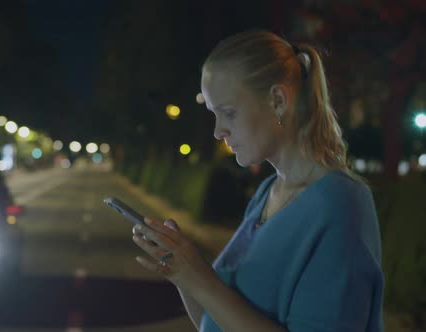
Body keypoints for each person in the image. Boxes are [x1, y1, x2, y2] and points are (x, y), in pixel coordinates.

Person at [131, 30, 384, 331]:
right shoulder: (268, 193)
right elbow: (214, 323)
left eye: (229, 113)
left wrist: (201, 280)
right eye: (214, 114)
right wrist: (183, 275)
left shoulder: (341, 206)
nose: (218, 131)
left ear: (278, 100)